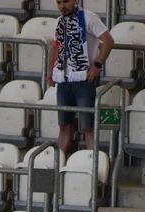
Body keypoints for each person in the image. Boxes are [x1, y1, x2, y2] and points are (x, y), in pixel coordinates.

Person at [48, 0, 114, 155]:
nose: (62, 6)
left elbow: (108, 40)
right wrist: (50, 72)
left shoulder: (89, 17)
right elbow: (55, 46)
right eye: (58, 2)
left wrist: (97, 64)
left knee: (89, 128)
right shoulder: (59, 21)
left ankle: (93, 165)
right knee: (64, 126)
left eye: (65, 1)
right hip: (64, 80)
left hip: (84, 80)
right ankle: (59, 164)